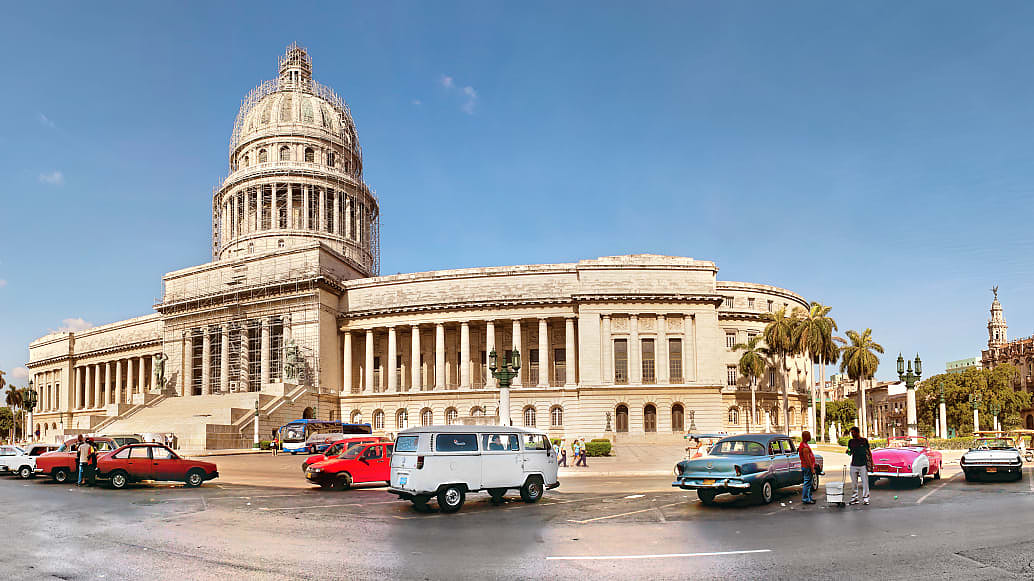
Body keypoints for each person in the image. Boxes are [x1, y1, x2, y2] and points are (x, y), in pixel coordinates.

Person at [846, 426, 872, 506]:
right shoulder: (850, 442)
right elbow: (850, 453)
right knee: (854, 483)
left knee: (865, 482)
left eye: (853, 432)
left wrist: (871, 462)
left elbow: (868, 451)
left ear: (857, 432)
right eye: (851, 433)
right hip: (854, 464)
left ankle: (865, 498)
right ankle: (854, 498)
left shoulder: (864, 441)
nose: (852, 434)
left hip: (863, 464)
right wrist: (848, 452)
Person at [798, 430, 816, 504]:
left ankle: (809, 497)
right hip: (807, 467)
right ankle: (806, 499)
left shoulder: (804, 444)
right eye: (809, 435)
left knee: (809, 483)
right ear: (806, 437)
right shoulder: (804, 447)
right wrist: (812, 468)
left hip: (807, 466)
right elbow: (807, 459)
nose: (810, 437)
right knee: (807, 483)